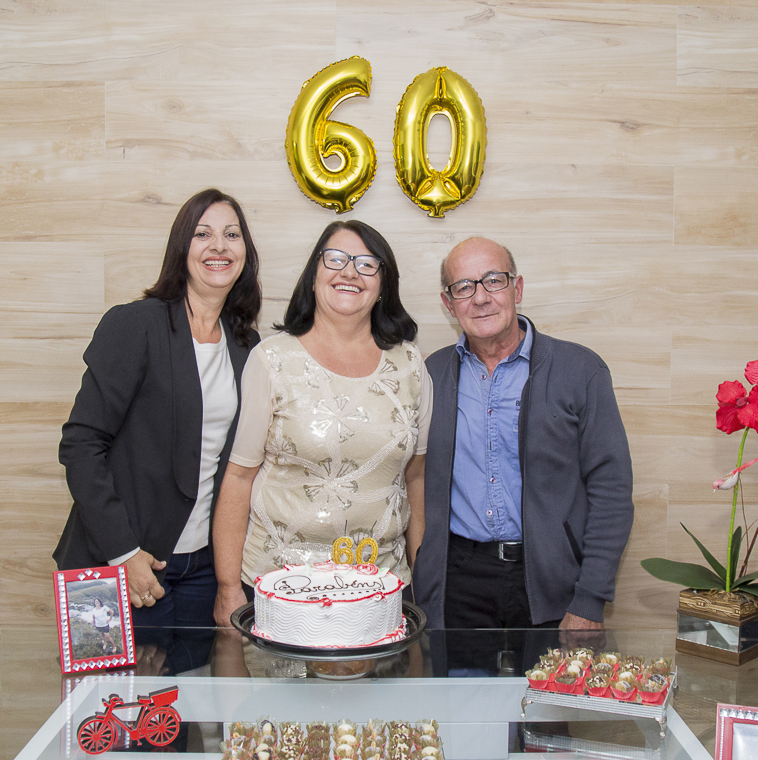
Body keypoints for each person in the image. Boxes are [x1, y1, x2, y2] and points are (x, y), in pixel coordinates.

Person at [414, 237, 633, 667]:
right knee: (463, 705)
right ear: (448, 303)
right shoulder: (429, 376)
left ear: (517, 288)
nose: (480, 297)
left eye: (493, 280)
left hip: (553, 582)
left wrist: (590, 598)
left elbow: (611, 491)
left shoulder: (580, 370)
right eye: (464, 287)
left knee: (548, 706)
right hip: (459, 585)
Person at [54, 188, 262, 631]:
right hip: (120, 565)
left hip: (203, 570)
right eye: (203, 234)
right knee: (117, 681)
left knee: (200, 680)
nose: (219, 246)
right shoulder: (135, 324)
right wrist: (123, 553)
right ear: (181, 248)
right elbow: (81, 444)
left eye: (232, 234)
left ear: (246, 252)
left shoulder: (247, 345)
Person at [212, 220, 431, 626]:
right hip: (280, 588)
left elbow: (414, 480)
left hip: (382, 588)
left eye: (367, 264)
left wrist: (423, 583)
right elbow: (239, 477)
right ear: (313, 276)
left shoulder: (410, 365)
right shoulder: (272, 359)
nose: (350, 272)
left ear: (383, 284)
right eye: (335, 259)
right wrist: (227, 588)